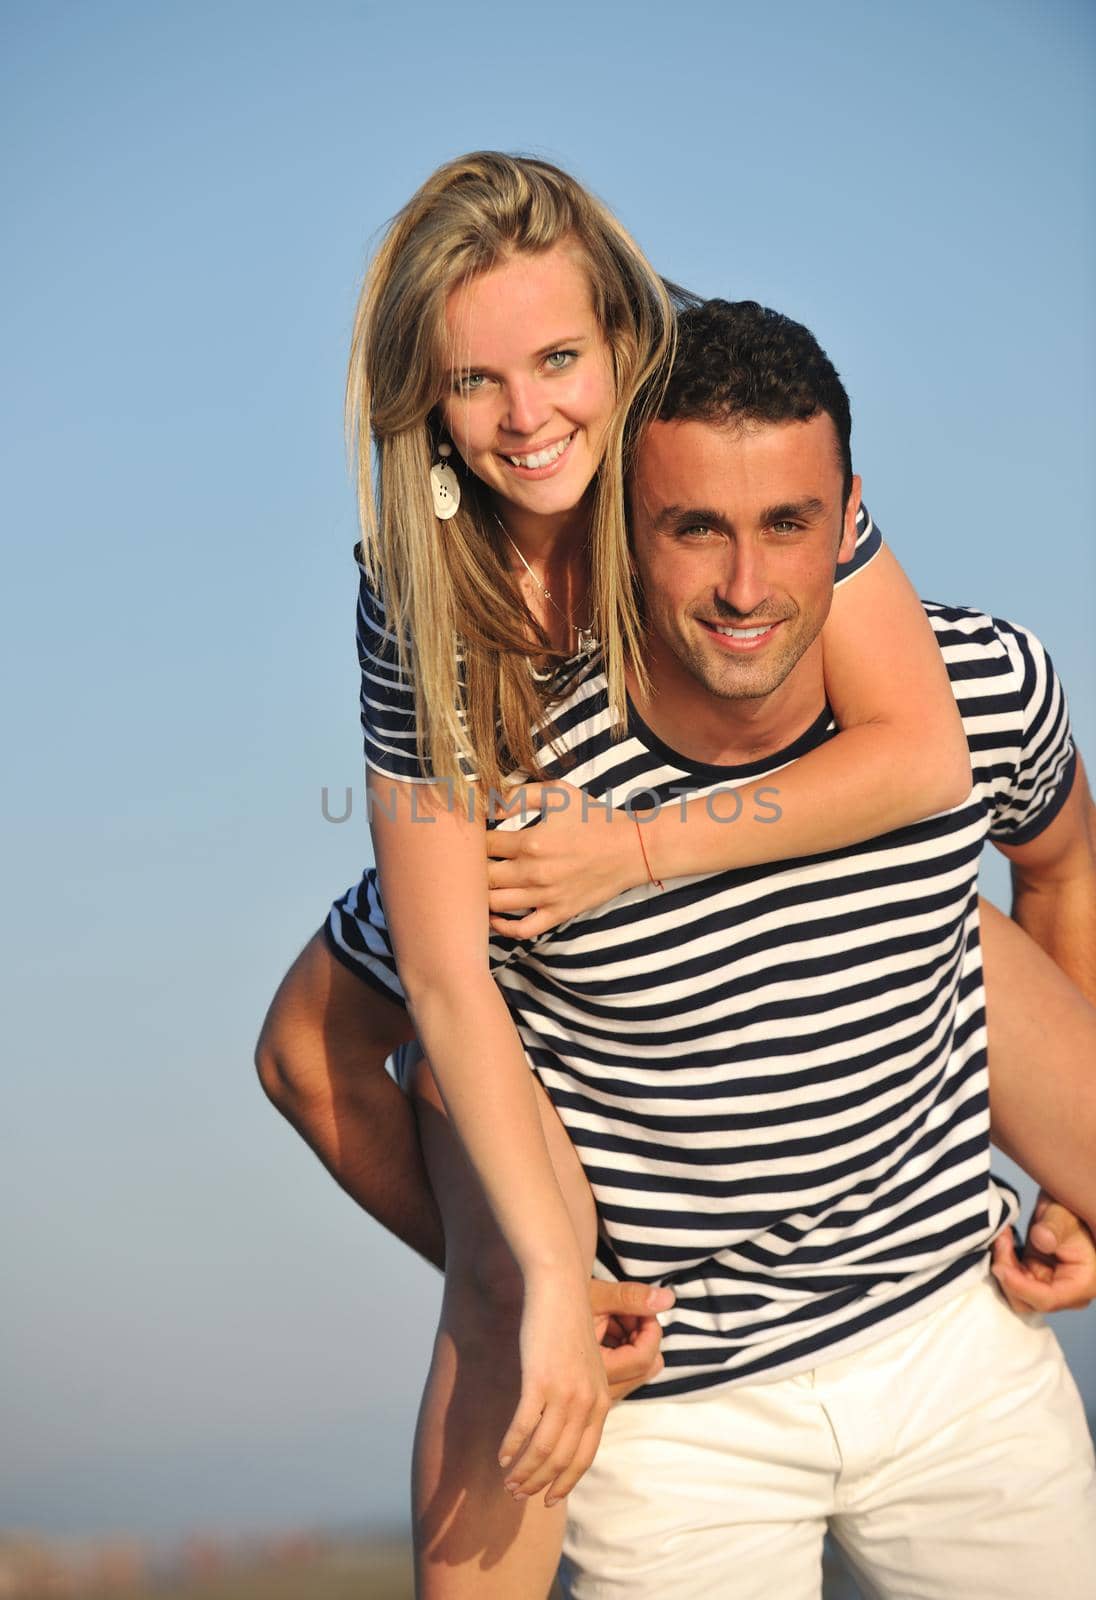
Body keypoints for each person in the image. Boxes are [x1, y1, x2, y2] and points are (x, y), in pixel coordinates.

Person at [254, 155, 1092, 1594]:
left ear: (624, 348)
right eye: (475, 382)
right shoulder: (427, 601)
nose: (528, 419)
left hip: (947, 1343)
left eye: (561, 359)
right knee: (482, 1149)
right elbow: (441, 981)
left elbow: (923, 758)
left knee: (931, 901)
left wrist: (636, 849)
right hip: (686, 1408)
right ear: (423, 408)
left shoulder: (732, 456)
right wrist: (536, 1280)